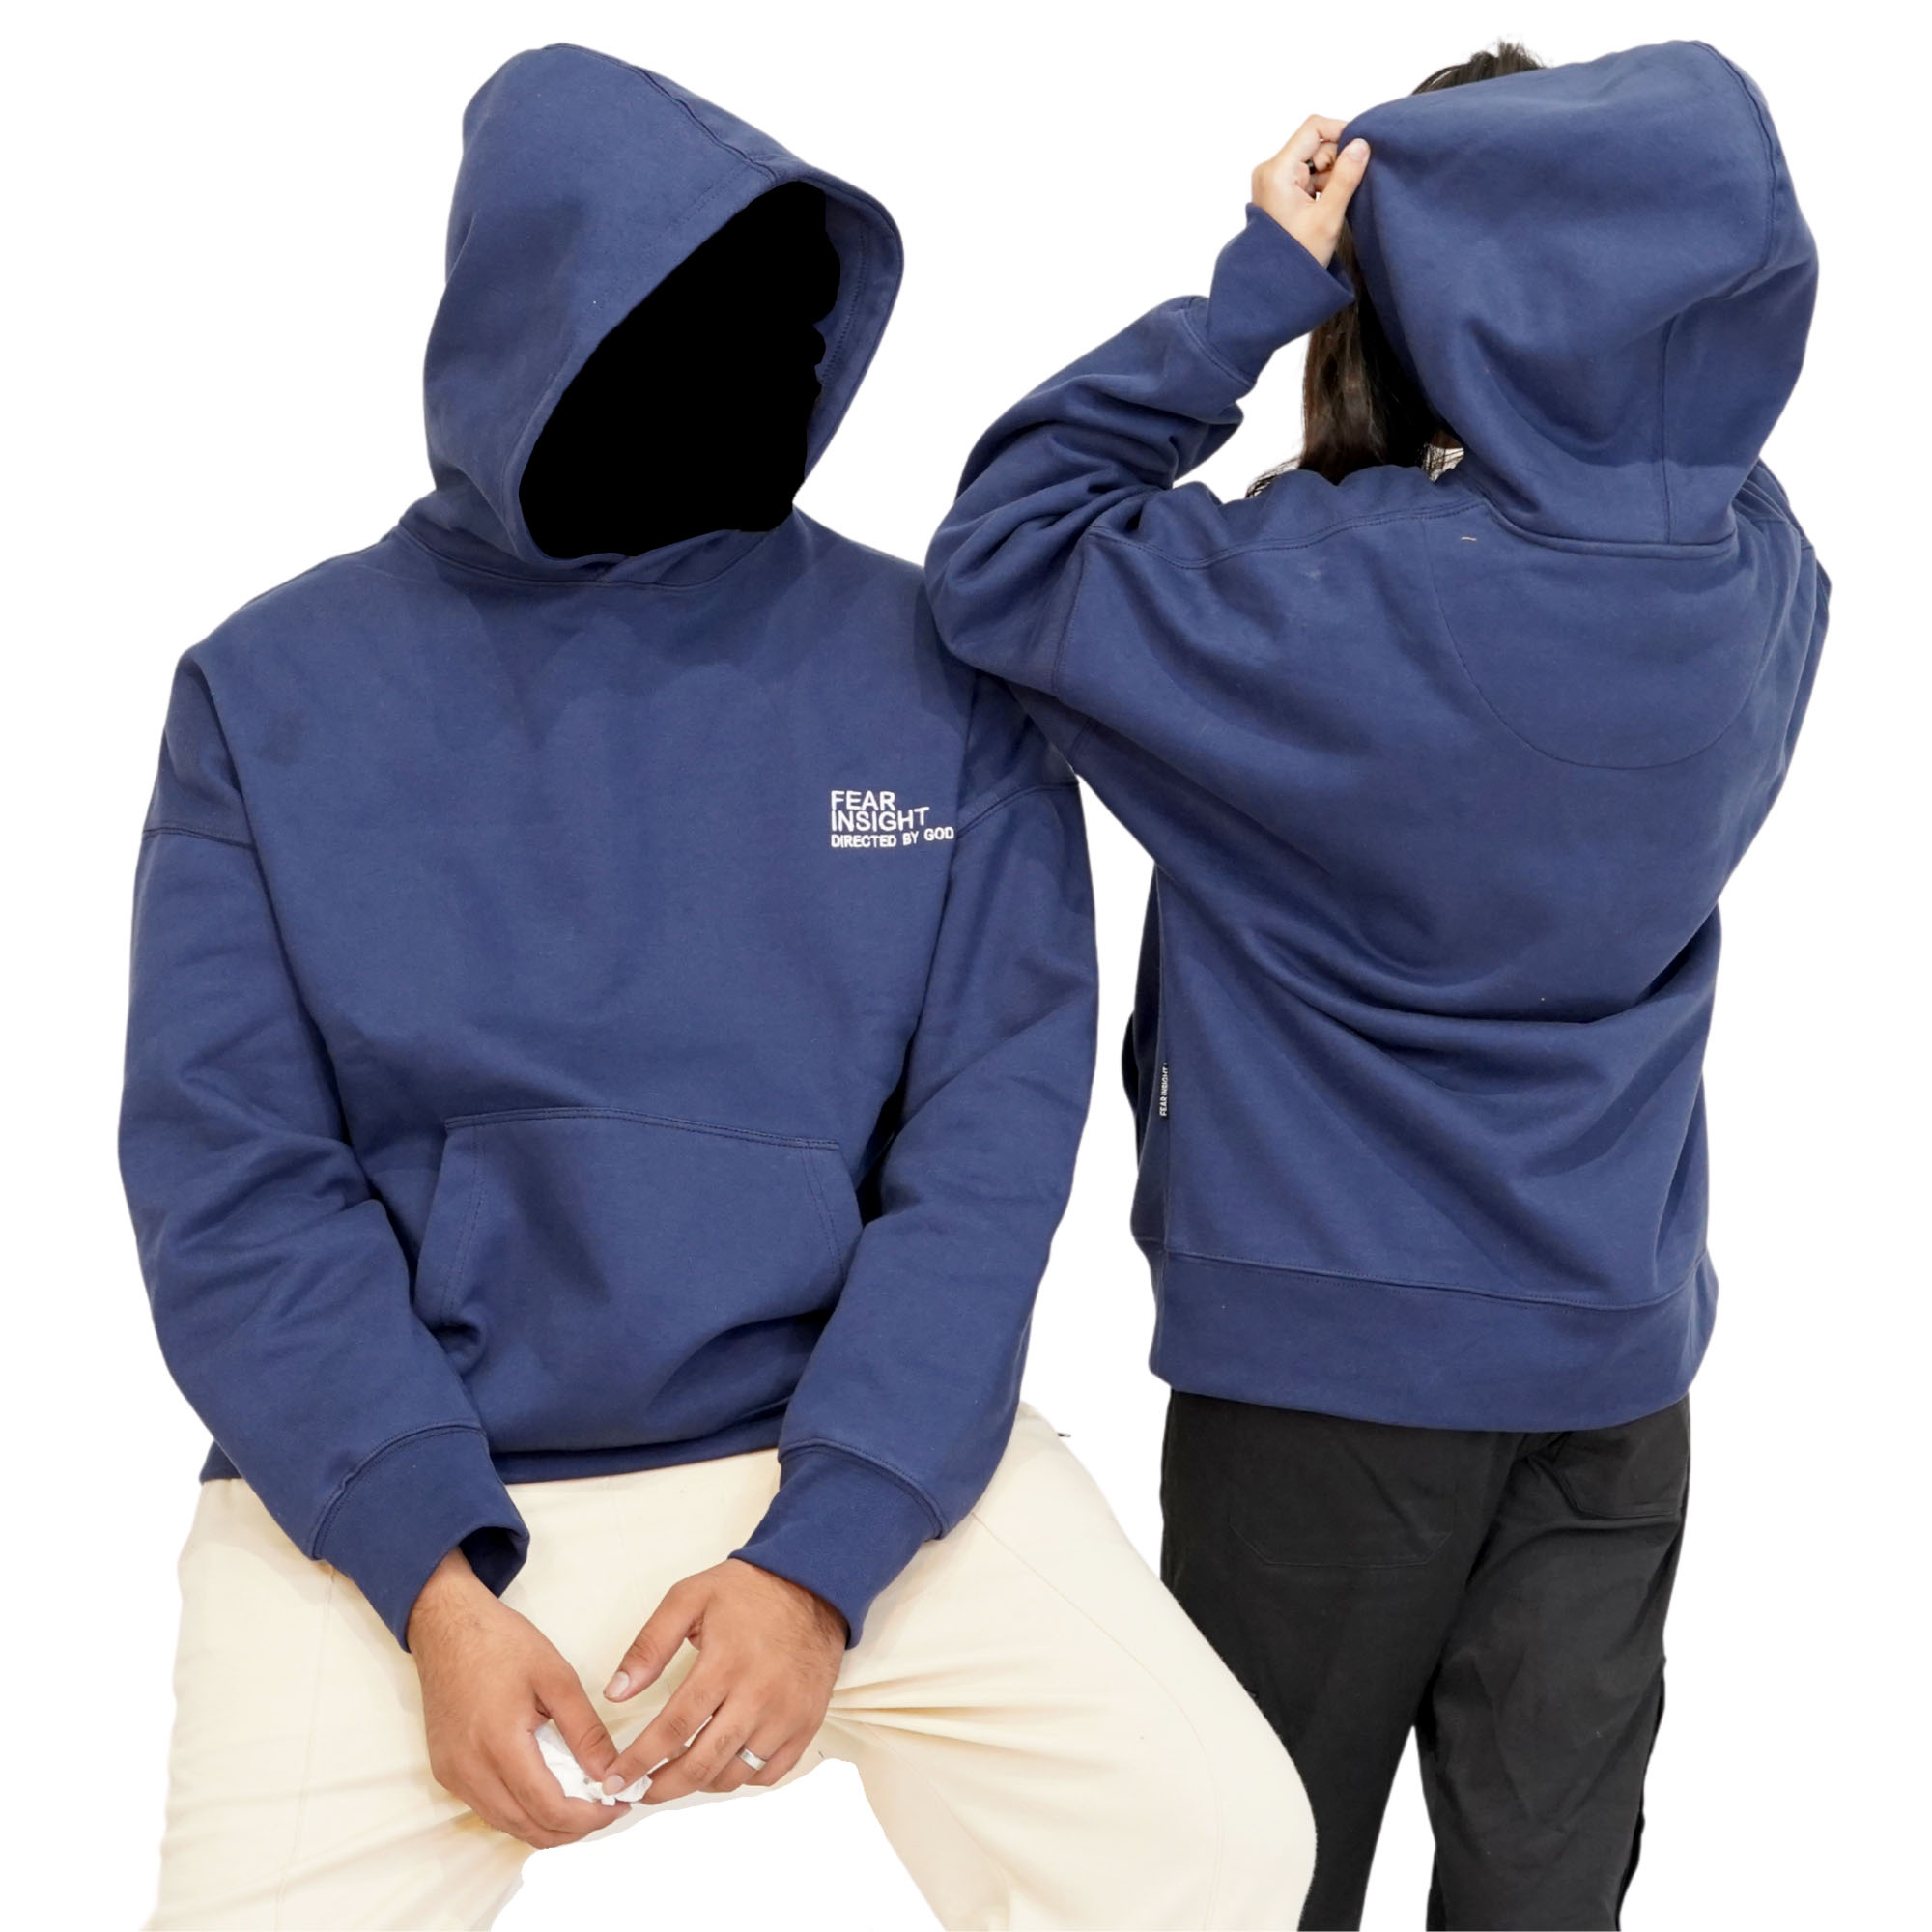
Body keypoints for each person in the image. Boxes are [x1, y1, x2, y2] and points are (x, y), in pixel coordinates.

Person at [121, 43, 1315, 1932]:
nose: (762, 371)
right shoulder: (269, 696)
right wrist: (428, 1581)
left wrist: (822, 1560)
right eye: (677, 324)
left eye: (782, 322)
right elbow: (234, 1184)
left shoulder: (936, 674)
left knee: (1219, 1844)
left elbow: (985, 1163)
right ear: (532, 338)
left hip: (833, 1449)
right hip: (404, 1497)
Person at [925, 39, 1824, 1932]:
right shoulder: (1750, 589)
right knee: (1545, 1896)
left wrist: (1261, 289)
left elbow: (1000, 549)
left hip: (1324, 1370)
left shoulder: (1315, 597)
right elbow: (1673, 455)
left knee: (1250, 1885)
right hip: (1613, 1363)